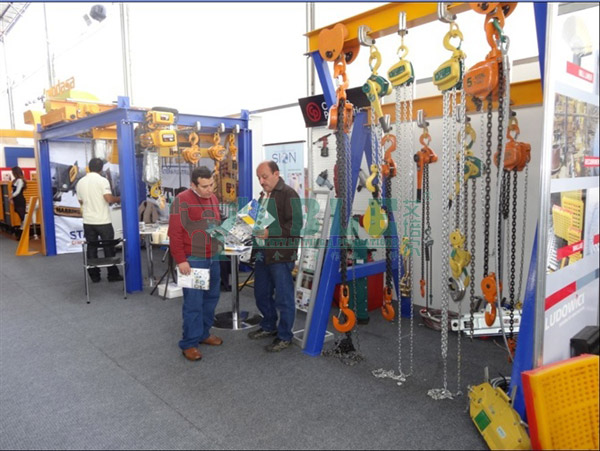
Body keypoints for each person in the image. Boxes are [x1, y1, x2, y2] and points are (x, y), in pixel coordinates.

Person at [168, 166, 223, 361]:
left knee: (211, 298)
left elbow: (214, 224)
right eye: (205, 186)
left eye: (212, 185)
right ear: (193, 185)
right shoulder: (182, 200)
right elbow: (174, 234)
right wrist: (181, 260)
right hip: (194, 259)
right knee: (194, 303)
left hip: (213, 257)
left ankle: (203, 333)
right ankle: (189, 343)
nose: (210, 190)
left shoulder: (213, 198)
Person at [248, 161, 302, 352]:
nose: (261, 181)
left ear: (276, 174)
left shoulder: (289, 194)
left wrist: (269, 233)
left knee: (283, 297)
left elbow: (295, 226)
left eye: (264, 177)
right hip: (262, 252)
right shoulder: (263, 195)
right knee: (261, 293)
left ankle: (285, 336)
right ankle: (269, 325)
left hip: (281, 255)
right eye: (259, 178)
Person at [76, 158, 123, 283]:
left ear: (89, 167)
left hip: (88, 221)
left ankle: (94, 276)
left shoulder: (80, 182)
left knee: (92, 248)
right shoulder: (103, 181)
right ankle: (112, 275)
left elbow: (80, 201)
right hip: (103, 221)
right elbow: (109, 199)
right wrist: (119, 198)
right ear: (101, 168)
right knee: (109, 248)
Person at [10, 166, 26, 239]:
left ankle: (22, 234)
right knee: (21, 217)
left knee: (23, 217)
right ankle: (20, 233)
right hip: (16, 200)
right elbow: (13, 190)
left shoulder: (20, 180)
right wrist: (11, 198)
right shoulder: (15, 180)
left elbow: (17, 191)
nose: (12, 174)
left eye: (13, 172)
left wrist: (11, 197)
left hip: (19, 200)